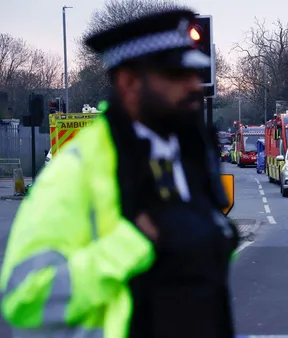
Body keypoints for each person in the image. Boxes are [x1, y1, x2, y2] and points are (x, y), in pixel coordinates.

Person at [0, 9, 239, 338]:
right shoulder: (76, 172)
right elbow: (24, 300)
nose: (194, 86)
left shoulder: (190, 157)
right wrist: (130, 244)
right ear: (128, 83)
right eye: (175, 75)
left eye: (195, 74)